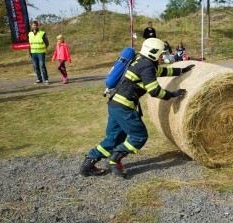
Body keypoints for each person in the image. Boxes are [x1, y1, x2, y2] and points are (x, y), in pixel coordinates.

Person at [79, 38, 195, 178]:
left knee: (113, 139)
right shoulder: (147, 66)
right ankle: (114, 160)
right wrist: (173, 94)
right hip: (124, 108)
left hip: (114, 104)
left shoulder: (140, 61)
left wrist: (181, 70)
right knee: (139, 136)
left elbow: (160, 71)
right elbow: (154, 91)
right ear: (153, 53)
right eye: (160, 54)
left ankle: (87, 164)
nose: (162, 57)